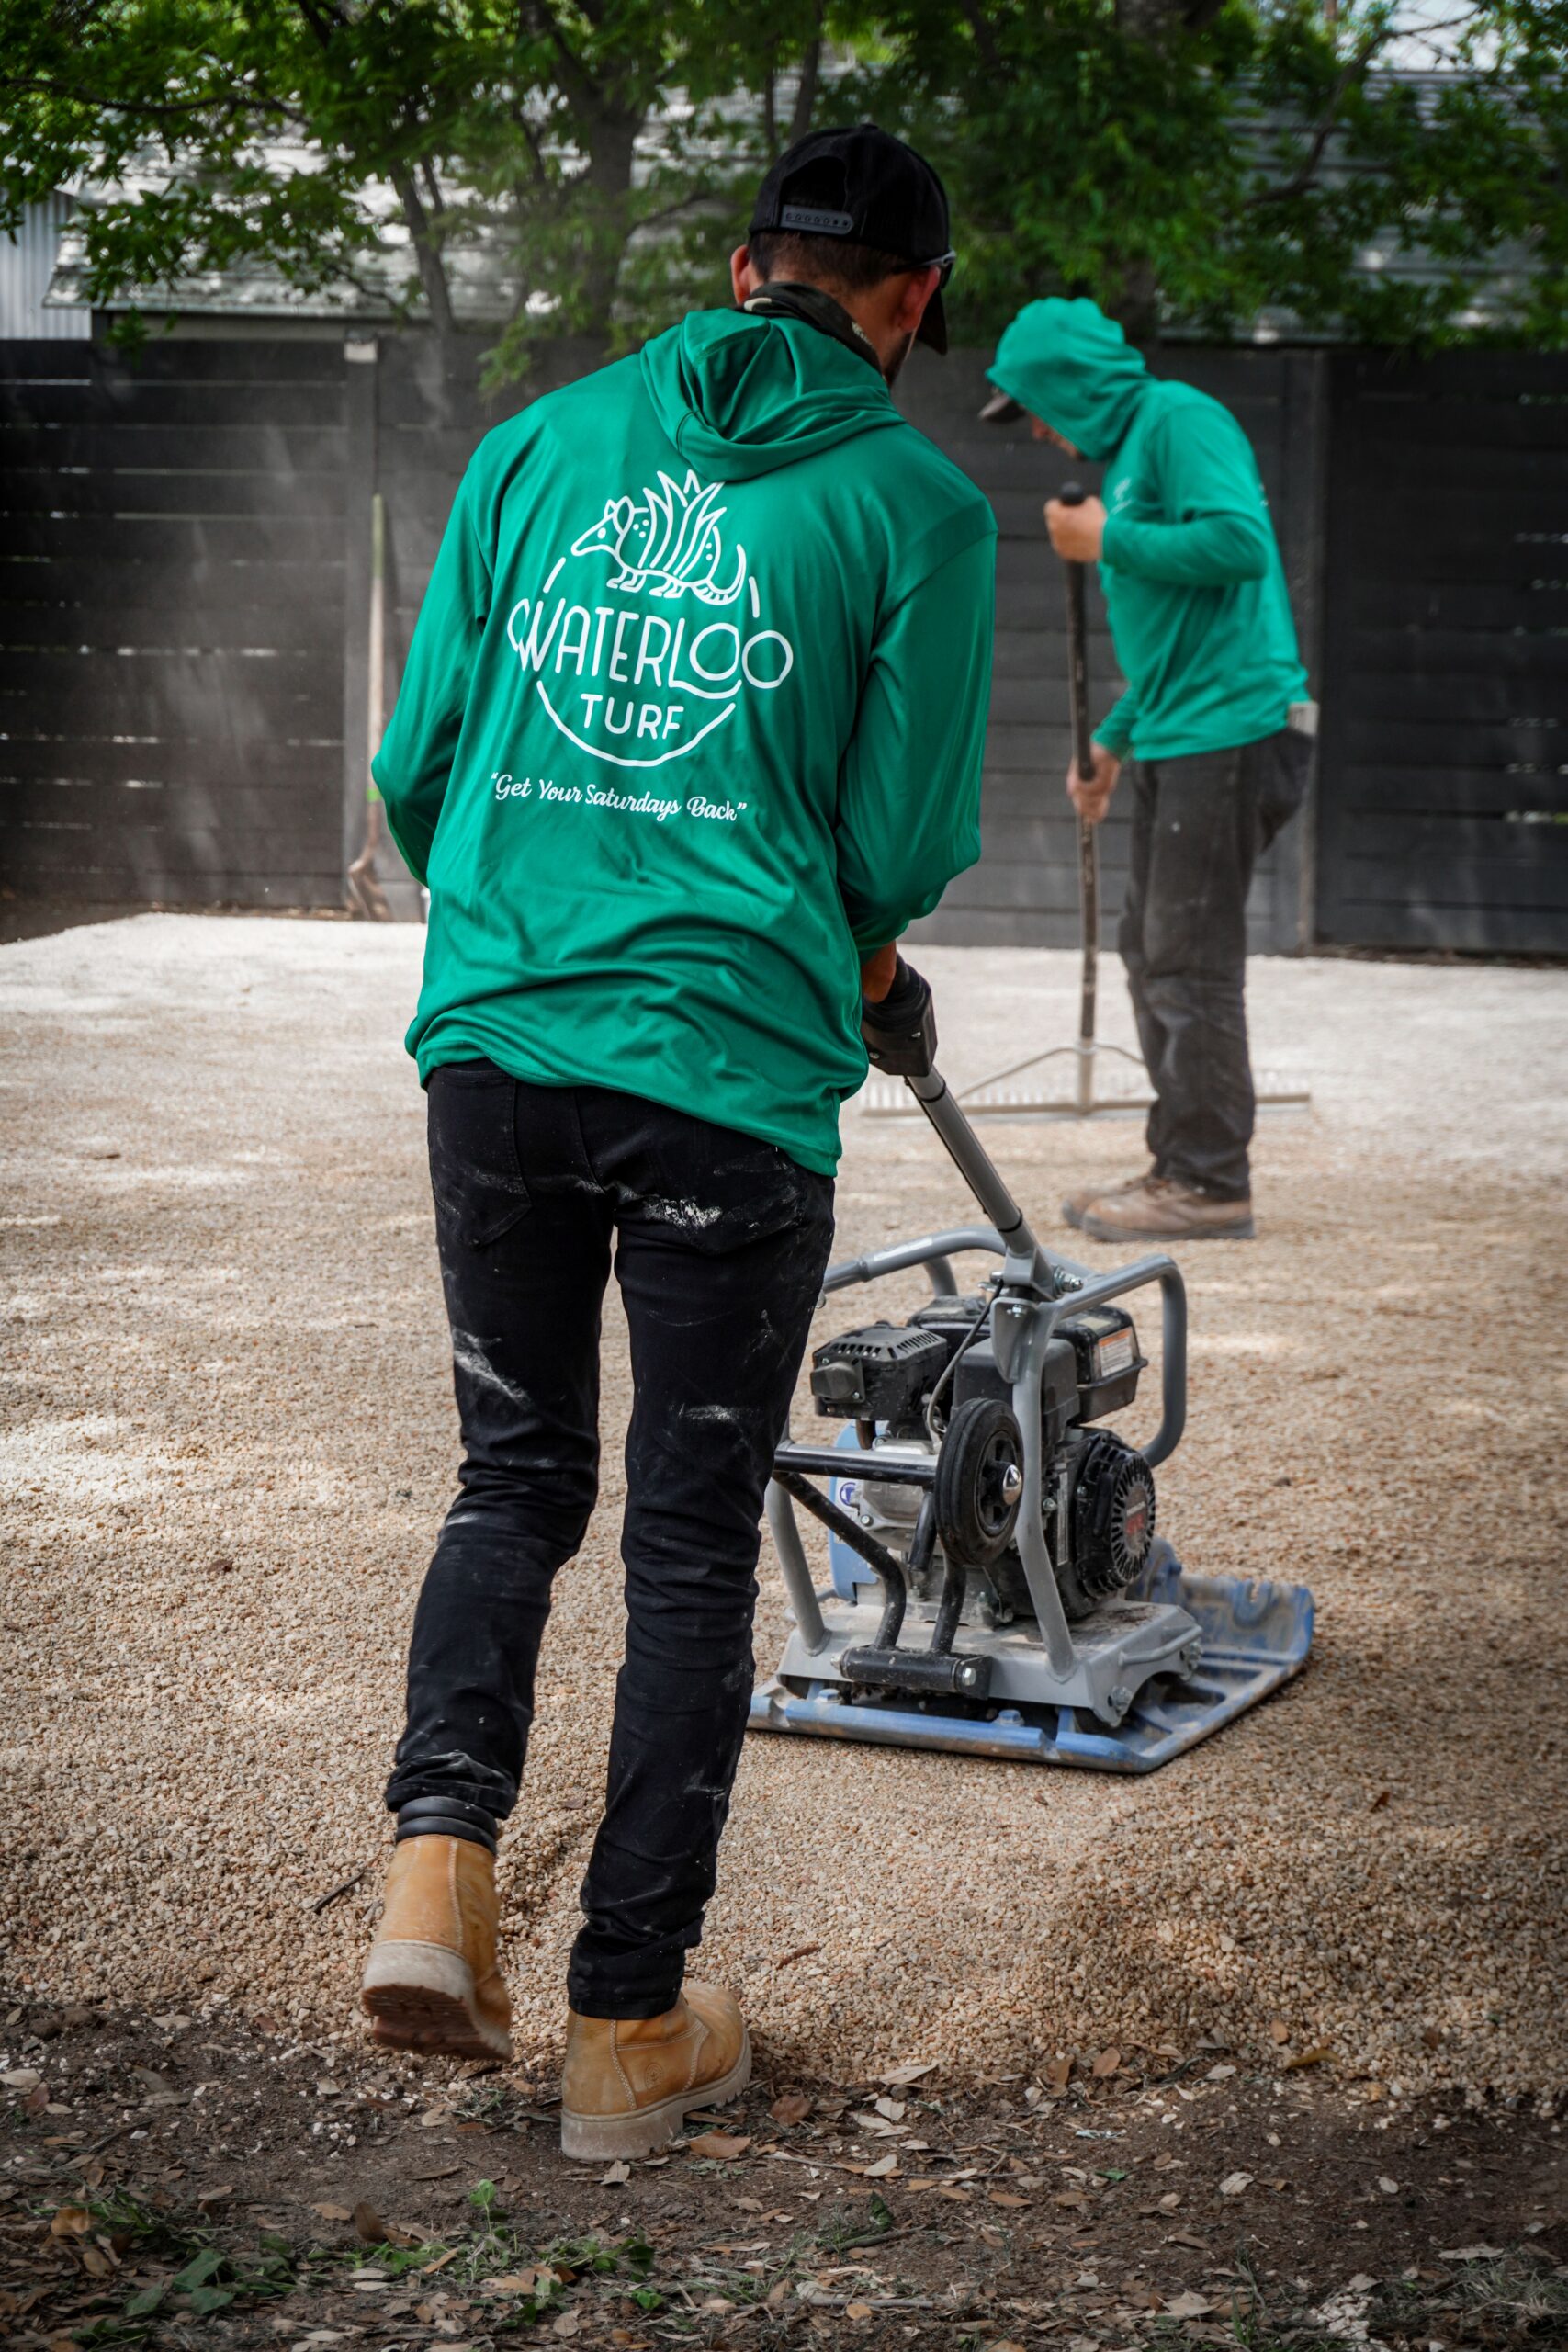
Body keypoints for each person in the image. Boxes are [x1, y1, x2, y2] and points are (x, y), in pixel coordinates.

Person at [357, 123, 996, 2161]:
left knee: (509, 1471)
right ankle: (624, 2029)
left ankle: (434, 1879)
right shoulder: (915, 501)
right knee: (690, 1539)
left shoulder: (542, 448)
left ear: (743, 269)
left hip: (502, 1053)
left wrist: (520, 938)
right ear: (907, 303)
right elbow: (889, 848)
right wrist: (853, 965)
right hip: (722, 1078)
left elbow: (416, 762)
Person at [982, 297, 1314, 1241]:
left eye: (1038, 406)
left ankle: (1212, 1183)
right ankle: (1180, 1162)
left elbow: (1242, 547)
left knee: (1187, 958)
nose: (1039, 429)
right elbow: (1177, 646)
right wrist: (1111, 744)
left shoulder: (1178, 420)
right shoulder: (1129, 462)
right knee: (1150, 948)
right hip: (1180, 727)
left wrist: (1105, 543)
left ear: (1076, 386)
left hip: (1234, 728)